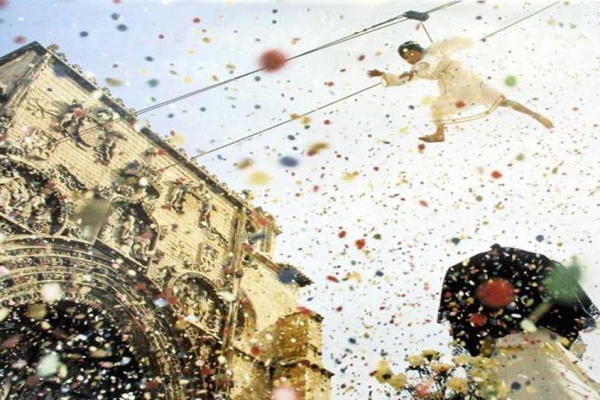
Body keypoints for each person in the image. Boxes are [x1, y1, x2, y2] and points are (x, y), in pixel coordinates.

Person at [367, 38, 554, 142]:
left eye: (411, 53)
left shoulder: (432, 53)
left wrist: (413, 70)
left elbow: (427, 62)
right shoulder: (417, 69)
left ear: (418, 50)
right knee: (436, 108)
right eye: (406, 57)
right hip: (454, 90)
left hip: (466, 81)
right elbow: (405, 78)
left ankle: (536, 115)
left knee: (502, 100)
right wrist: (383, 74)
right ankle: (440, 133)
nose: (409, 58)